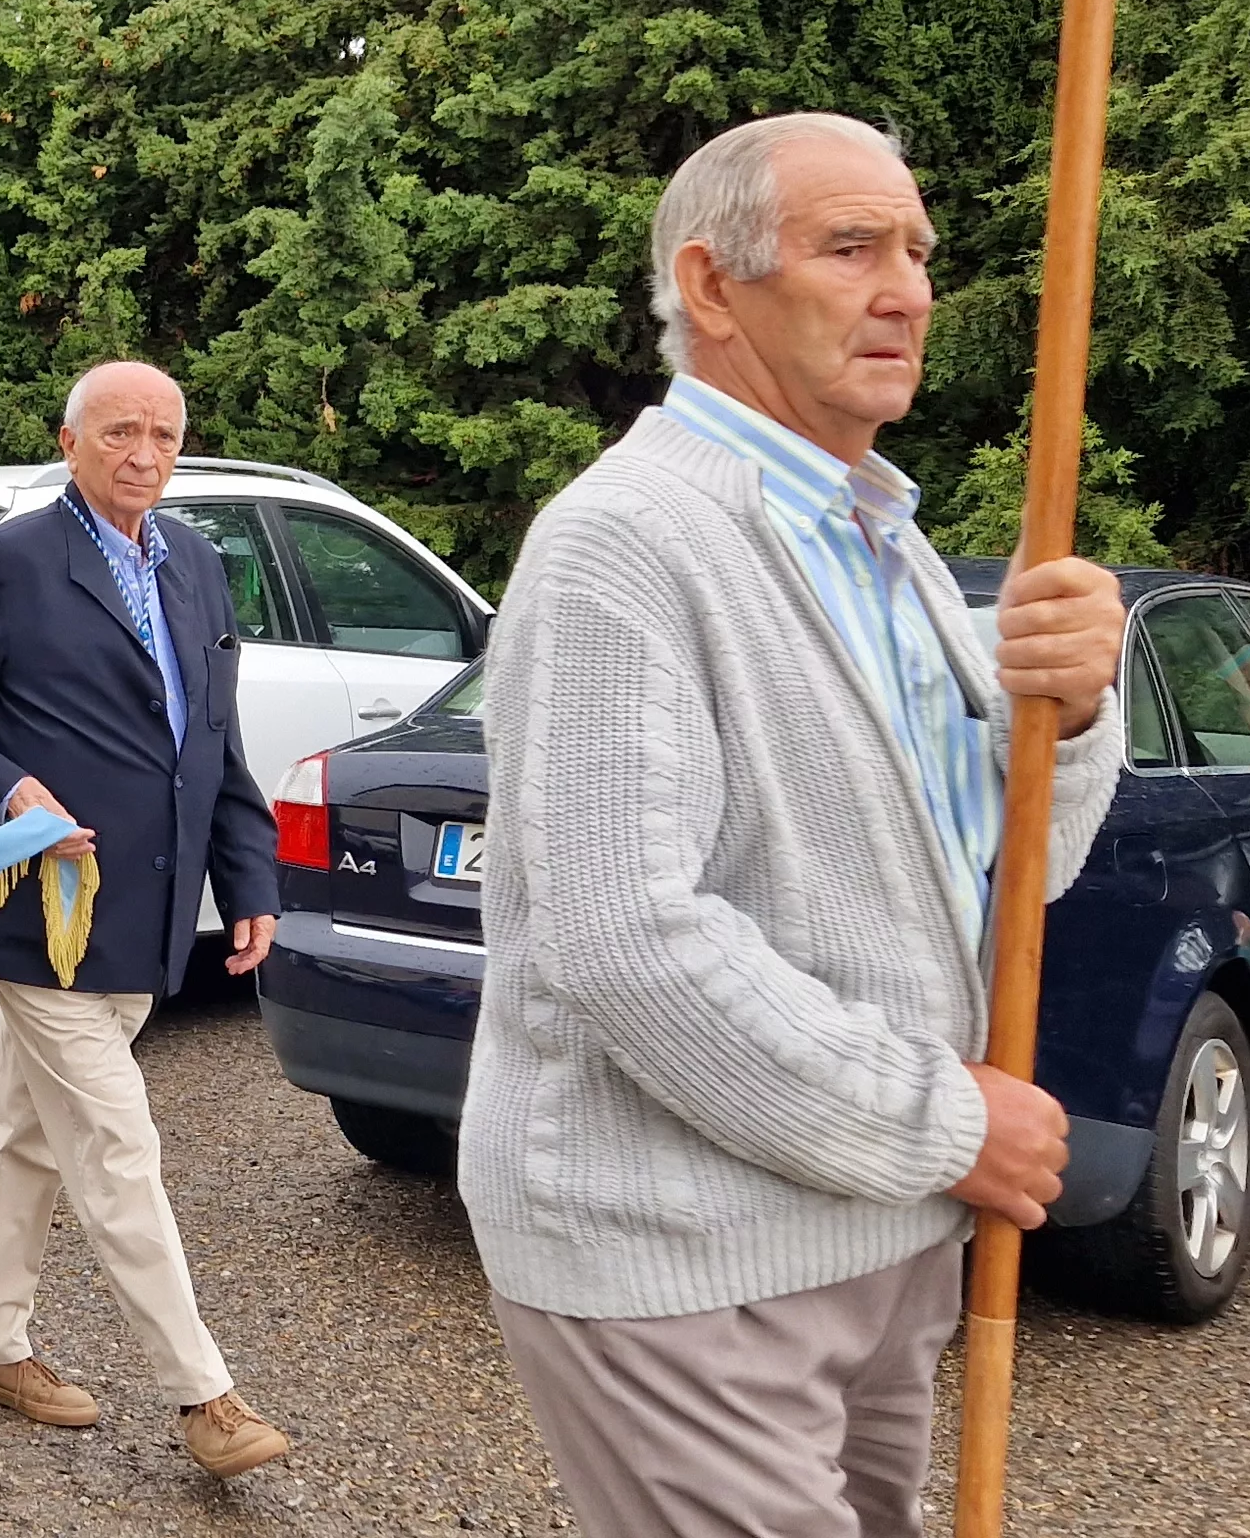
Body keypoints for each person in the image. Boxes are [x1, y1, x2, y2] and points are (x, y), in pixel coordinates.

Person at [466, 113, 1129, 1538]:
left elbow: (1013, 881)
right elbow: (622, 938)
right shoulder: (626, 542)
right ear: (712, 289)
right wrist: (949, 1123)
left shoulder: (882, 539)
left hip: (882, 1235)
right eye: (853, 248)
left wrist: (1071, 720)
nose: (910, 290)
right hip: (685, 1252)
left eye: (918, 251)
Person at [0, 360, 298, 1482]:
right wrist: (7, 792)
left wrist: (247, 876)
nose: (143, 455)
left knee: (21, 1137)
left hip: (149, 916)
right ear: (69, 444)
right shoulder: (16, 559)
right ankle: (204, 1395)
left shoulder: (199, 563)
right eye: (118, 433)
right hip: (45, 916)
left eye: (162, 434)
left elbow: (213, 737)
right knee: (116, 1148)